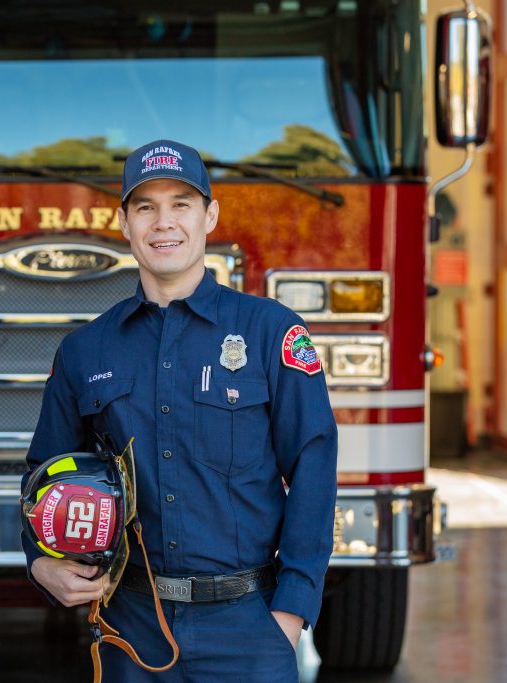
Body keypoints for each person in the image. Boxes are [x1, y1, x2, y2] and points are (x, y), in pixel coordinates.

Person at [22, 139, 338, 681]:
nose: (163, 222)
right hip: (131, 625)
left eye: (181, 204)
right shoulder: (86, 350)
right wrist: (41, 561)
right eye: (145, 207)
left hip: (250, 624)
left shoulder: (271, 332)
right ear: (124, 223)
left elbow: (313, 466)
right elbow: (43, 475)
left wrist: (290, 611)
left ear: (210, 215)